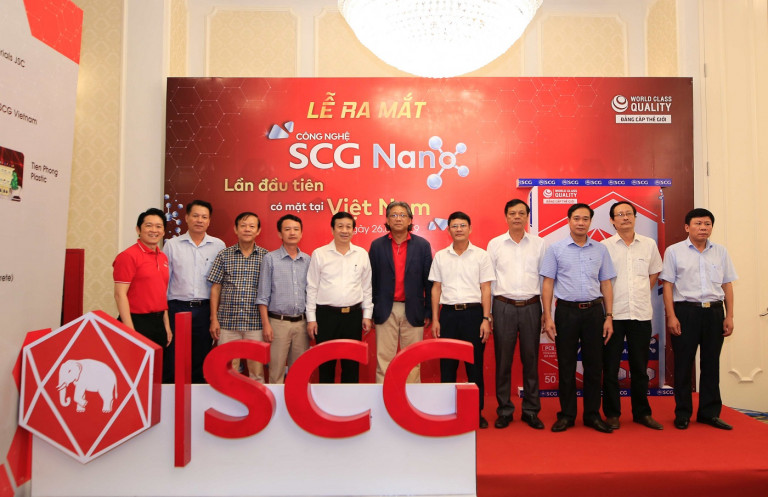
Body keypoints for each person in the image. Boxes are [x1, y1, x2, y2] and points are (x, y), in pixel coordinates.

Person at [540, 203, 616, 433]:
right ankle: (567, 415)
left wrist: (609, 316)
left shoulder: (600, 249)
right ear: (568, 221)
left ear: (590, 222)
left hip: (594, 312)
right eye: (576, 218)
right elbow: (548, 284)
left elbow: (606, 283)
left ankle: (592, 415)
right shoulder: (556, 249)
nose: (581, 223)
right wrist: (547, 316)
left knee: (594, 366)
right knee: (566, 365)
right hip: (566, 312)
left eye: (585, 219)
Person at [660, 208, 737, 430]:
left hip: (714, 312)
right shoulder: (674, 251)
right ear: (687, 227)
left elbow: (727, 284)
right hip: (686, 312)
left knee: (711, 364)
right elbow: (668, 285)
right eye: (698, 223)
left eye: (707, 224)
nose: (703, 228)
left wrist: (729, 315)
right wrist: (671, 316)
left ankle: (709, 413)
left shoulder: (720, 252)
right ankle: (683, 413)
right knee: (683, 365)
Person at [601, 201, 664, 430]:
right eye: (620, 214)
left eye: (629, 213)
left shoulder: (648, 244)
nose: (625, 217)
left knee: (640, 368)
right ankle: (612, 414)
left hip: (640, 314)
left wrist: (641, 290)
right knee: (610, 368)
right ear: (612, 220)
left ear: (635, 217)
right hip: (613, 315)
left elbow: (654, 271)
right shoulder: (604, 246)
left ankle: (642, 413)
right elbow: (601, 279)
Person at [429, 211, 494, 429]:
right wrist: (435, 319)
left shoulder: (481, 256)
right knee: (447, 366)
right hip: (447, 315)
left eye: (463, 225)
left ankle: (476, 412)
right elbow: (436, 288)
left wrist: (486, 318)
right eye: (454, 226)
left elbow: (486, 288)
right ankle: (447, 411)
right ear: (448, 230)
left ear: (470, 228)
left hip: (474, 315)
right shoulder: (440, 256)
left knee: (474, 366)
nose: (459, 229)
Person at [487, 199, 546, 430]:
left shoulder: (540, 244)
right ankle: (504, 410)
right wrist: (489, 313)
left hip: (532, 306)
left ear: (527, 217)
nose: (517, 217)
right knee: (503, 361)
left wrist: (545, 311)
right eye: (512, 213)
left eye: (522, 213)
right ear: (506, 217)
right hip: (503, 306)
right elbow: (489, 280)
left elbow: (544, 279)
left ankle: (531, 410)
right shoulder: (495, 244)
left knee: (531, 360)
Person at [369, 201, 433, 383]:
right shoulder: (377, 246)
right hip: (385, 309)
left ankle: (411, 398)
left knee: (413, 359)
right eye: (394, 215)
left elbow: (429, 281)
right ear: (387, 220)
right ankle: (383, 396)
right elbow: (370, 281)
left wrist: (428, 310)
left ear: (410, 220)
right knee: (384, 359)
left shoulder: (422, 245)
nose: (398, 219)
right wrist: (371, 310)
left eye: (403, 215)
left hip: (413, 308)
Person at [163, 200, 225, 383]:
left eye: (204, 217)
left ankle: (197, 396)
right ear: (186, 218)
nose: (199, 220)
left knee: (201, 357)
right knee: (173, 357)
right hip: (177, 308)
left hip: (205, 309)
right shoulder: (172, 245)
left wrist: (215, 316)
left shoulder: (218, 246)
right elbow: (164, 281)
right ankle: (172, 397)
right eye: (195, 216)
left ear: (209, 221)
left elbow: (220, 284)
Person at [306, 212, 373, 383]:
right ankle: (325, 399)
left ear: (353, 230)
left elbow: (366, 287)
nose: (345, 230)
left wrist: (367, 315)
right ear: (332, 229)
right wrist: (311, 319)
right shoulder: (319, 254)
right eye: (340, 226)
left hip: (353, 317)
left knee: (351, 366)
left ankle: (348, 400)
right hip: (325, 316)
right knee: (325, 365)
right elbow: (312, 287)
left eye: (348, 227)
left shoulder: (361, 254)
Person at [208, 211, 268, 381]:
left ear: (258, 230)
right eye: (243, 226)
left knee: (257, 373)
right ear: (235, 229)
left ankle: (258, 398)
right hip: (227, 323)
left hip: (255, 323)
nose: (247, 229)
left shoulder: (266, 257)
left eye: (251, 226)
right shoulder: (224, 255)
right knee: (228, 373)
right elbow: (215, 288)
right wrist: (214, 319)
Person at [256, 214, 310, 384]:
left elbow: (311, 293)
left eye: (296, 229)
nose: (292, 233)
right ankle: (277, 402)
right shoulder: (270, 259)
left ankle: (296, 401)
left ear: (301, 233)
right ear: (280, 233)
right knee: (276, 371)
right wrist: (266, 325)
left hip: (302, 324)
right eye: (287, 229)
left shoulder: (307, 260)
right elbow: (262, 296)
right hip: (277, 324)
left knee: (299, 373)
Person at [113, 208, 173, 350]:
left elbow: (161, 294)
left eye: (158, 226)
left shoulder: (163, 257)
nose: (154, 230)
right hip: (136, 322)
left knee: (158, 363)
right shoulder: (127, 256)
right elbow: (119, 295)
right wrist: (130, 331)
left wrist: (167, 326)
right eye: (148, 225)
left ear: (163, 232)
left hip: (158, 323)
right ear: (138, 229)